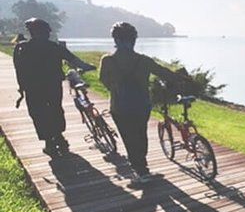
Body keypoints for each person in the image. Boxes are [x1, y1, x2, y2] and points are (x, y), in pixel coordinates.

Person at [99, 22, 187, 187]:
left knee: (129, 137)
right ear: (134, 40)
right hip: (142, 105)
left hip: (119, 106)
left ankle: (140, 171)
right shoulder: (144, 60)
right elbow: (164, 72)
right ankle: (143, 167)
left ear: (115, 39)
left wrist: (116, 89)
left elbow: (103, 79)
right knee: (140, 134)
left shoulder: (108, 60)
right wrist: (181, 78)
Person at [13, 18, 96, 157]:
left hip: (33, 88)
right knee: (54, 109)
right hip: (52, 85)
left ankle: (50, 141)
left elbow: (19, 70)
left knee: (38, 112)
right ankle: (58, 137)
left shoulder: (23, 48)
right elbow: (74, 60)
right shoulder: (54, 47)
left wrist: (21, 88)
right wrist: (88, 67)